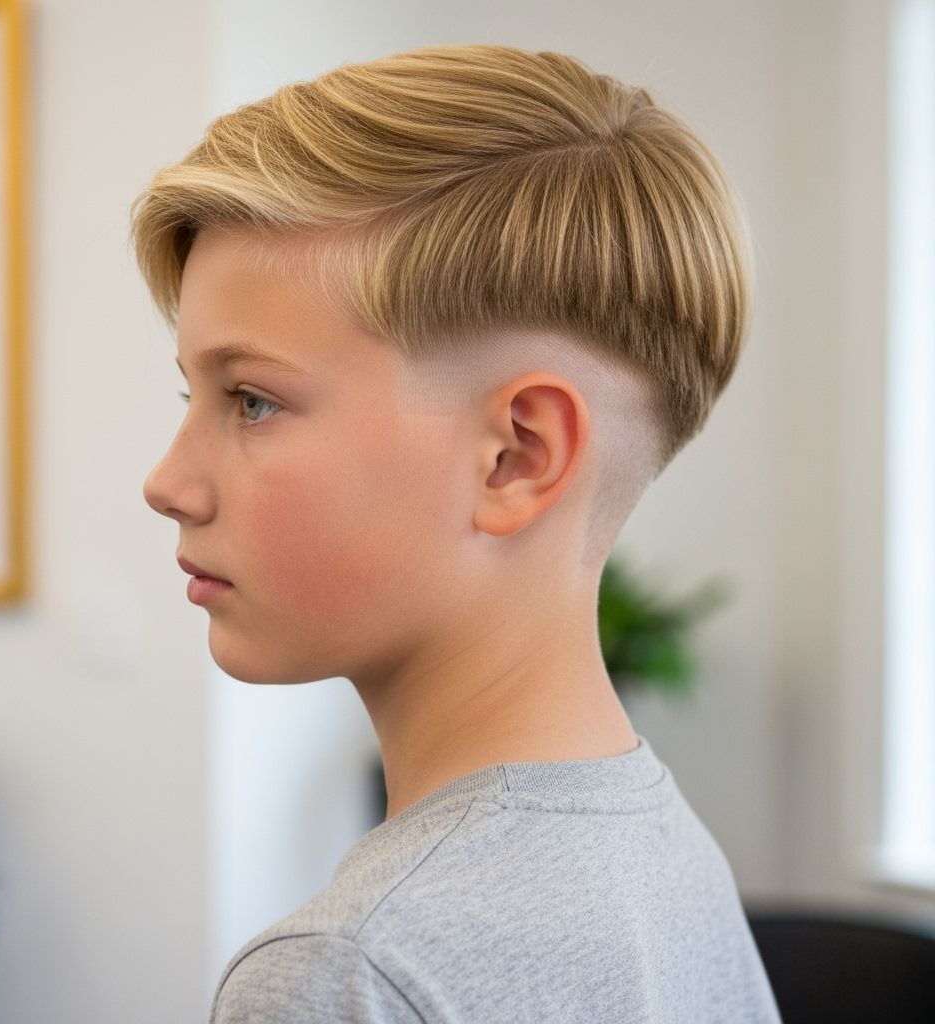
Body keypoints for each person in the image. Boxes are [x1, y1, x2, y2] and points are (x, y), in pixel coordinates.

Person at [132, 44, 781, 1023]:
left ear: (515, 456)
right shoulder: (659, 854)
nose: (167, 483)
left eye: (253, 400)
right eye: (195, 395)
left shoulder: (352, 971)